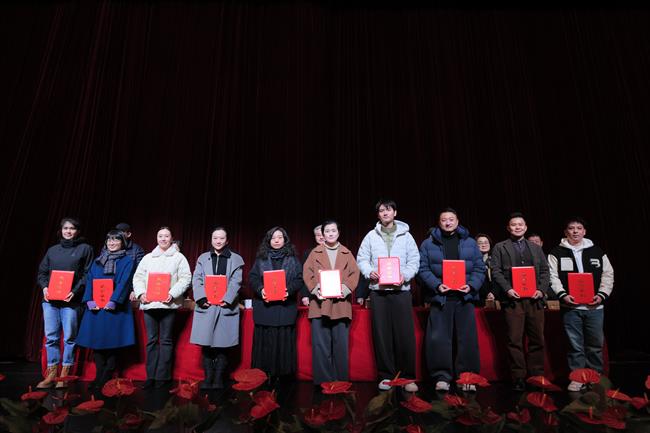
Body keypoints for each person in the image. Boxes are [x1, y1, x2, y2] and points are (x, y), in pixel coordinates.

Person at [418, 208, 485, 392]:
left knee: (467, 339)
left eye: (451, 219)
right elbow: (422, 269)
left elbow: (479, 268)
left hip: (464, 297)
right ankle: (441, 377)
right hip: (441, 297)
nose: (447, 222)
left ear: (457, 221)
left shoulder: (470, 243)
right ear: (439, 223)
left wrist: (471, 286)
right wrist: (437, 285)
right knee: (439, 339)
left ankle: (467, 376)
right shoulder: (428, 243)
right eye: (444, 220)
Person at [356, 199, 420, 392]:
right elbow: (362, 259)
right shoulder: (370, 236)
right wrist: (369, 272)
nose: (385, 213)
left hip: (401, 291)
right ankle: (386, 375)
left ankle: (407, 377)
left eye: (388, 210)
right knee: (382, 335)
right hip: (379, 292)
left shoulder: (406, 236)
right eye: (381, 211)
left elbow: (414, 260)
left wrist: (405, 275)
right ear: (378, 215)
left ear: (395, 213)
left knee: (405, 335)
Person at [548, 217, 614, 391]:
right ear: (566, 232)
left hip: (595, 307)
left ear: (584, 231)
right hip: (570, 308)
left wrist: (602, 295)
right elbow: (552, 277)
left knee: (595, 345)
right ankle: (577, 378)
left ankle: (595, 377)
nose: (575, 231)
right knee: (575, 346)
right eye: (571, 228)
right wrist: (563, 295)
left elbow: (608, 274)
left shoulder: (597, 251)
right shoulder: (556, 252)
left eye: (579, 228)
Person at [490, 212, 550, 391]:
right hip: (513, 301)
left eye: (520, 224)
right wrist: (508, 289)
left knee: (537, 339)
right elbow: (496, 271)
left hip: (534, 300)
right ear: (508, 228)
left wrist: (541, 290)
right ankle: (518, 377)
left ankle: (537, 375)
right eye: (514, 224)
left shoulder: (535, 247)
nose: (517, 227)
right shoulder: (500, 247)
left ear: (525, 227)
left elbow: (545, 271)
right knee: (514, 340)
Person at [36, 217, 94, 389]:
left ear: (78, 231)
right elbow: (42, 273)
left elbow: (88, 274)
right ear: (61, 230)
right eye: (65, 228)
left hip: (71, 301)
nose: (68, 231)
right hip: (50, 301)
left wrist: (74, 291)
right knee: (51, 338)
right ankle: (51, 374)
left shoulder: (85, 249)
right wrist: (45, 288)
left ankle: (64, 375)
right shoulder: (52, 250)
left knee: (69, 338)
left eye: (72, 228)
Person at [132, 227, 191, 389]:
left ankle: (163, 377)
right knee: (151, 340)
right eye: (160, 236)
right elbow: (138, 278)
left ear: (171, 238)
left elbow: (186, 278)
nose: (163, 239)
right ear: (156, 238)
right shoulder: (148, 258)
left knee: (166, 340)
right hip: (149, 304)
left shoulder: (179, 258)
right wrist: (141, 293)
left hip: (168, 305)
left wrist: (172, 293)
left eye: (166, 236)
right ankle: (150, 376)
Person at [76, 230, 136, 388]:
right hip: (96, 307)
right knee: (97, 342)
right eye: (109, 240)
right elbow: (90, 280)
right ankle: (99, 375)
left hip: (115, 307)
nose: (112, 243)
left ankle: (107, 375)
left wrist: (114, 300)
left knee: (112, 342)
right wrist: (89, 300)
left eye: (116, 240)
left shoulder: (127, 261)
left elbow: (124, 282)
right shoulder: (98, 260)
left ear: (122, 242)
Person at [303, 220, 359, 385]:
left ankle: (341, 381)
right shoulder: (314, 253)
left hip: (341, 305)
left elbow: (354, 274)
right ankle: (323, 382)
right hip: (319, 304)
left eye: (333, 230)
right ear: (323, 234)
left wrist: (345, 289)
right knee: (320, 346)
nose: (330, 234)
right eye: (327, 231)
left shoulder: (347, 253)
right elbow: (307, 273)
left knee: (341, 345)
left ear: (338, 233)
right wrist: (316, 289)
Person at [190, 227, 245, 390]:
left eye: (221, 238)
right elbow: (197, 278)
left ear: (227, 241)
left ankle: (219, 379)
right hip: (206, 306)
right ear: (211, 240)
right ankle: (208, 378)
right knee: (206, 345)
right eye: (215, 238)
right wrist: (201, 298)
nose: (218, 241)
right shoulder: (203, 258)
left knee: (223, 345)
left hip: (225, 306)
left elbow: (236, 281)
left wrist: (227, 299)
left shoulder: (236, 259)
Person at [249, 227, 303, 381]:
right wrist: (261, 289)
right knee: (265, 343)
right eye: (273, 238)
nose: (277, 240)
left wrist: (288, 290)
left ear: (285, 240)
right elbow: (253, 278)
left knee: (283, 343)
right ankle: (263, 375)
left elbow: (299, 279)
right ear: (269, 240)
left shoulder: (293, 259)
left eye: (280, 237)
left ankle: (284, 376)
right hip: (265, 309)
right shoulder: (261, 258)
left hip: (284, 309)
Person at [300, 225, 325, 306]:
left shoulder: (337, 252)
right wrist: (305, 295)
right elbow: (304, 275)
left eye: (323, 234)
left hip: (334, 294)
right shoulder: (308, 253)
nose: (321, 237)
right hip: (313, 294)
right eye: (318, 235)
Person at [475, 233, 495, 305]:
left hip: (495, 296)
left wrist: (493, 292)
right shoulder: (472, 262)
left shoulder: (495, 260)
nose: (484, 245)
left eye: (486, 242)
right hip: (479, 298)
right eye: (480, 243)